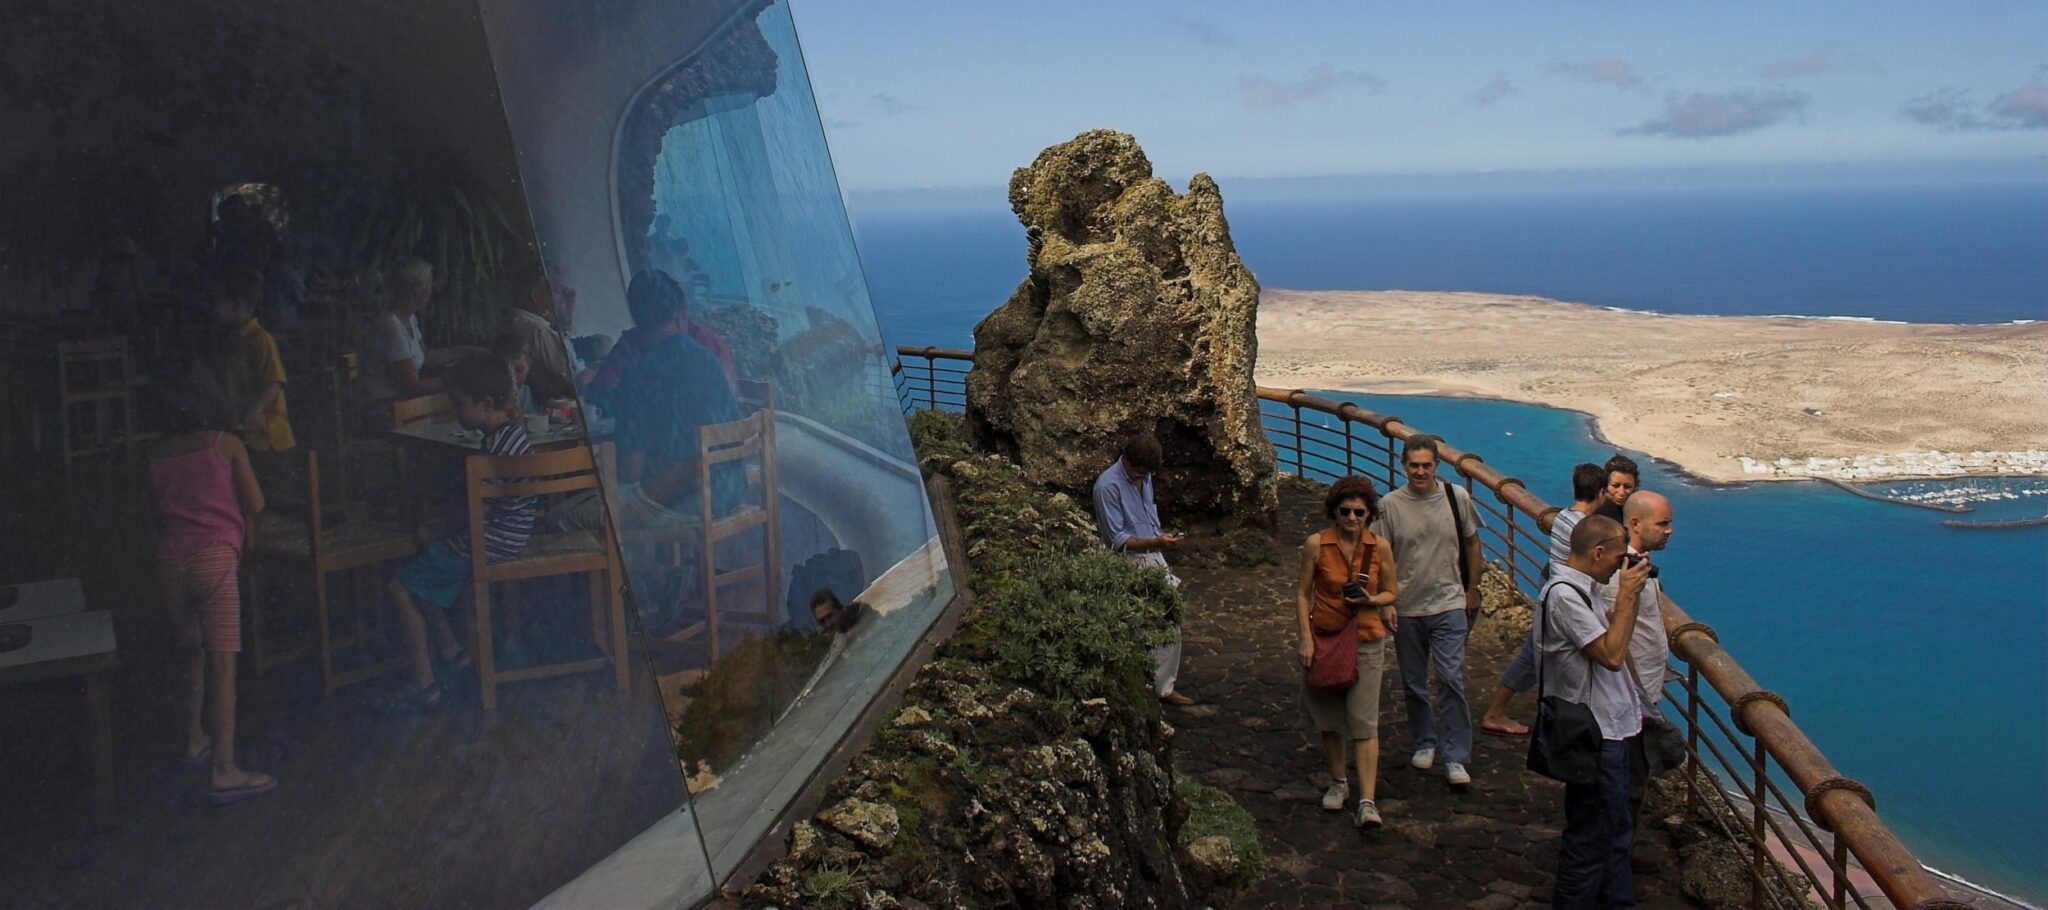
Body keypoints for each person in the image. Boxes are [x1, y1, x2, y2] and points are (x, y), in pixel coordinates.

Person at [145, 356, 274, 804]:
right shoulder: (227, 445)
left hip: (169, 563)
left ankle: (192, 738)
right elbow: (255, 503)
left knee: (191, 651)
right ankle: (224, 768)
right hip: (216, 562)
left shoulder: (155, 454)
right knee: (224, 664)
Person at [376, 356, 538, 712]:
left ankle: (424, 681)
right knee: (424, 580)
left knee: (400, 587)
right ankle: (453, 653)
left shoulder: (491, 452)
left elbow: (475, 516)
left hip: (488, 541)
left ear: (488, 405)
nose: (456, 413)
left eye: (460, 405)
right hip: (512, 536)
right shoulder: (514, 436)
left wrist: (436, 527)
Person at [549, 269, 744, 535]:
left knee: (560, 519)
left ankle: (621, 575)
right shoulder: (708, 358)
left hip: (685, 503)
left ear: (637, 320)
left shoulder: (641, 375)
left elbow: (631, 472)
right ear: (678, 313)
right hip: (730, 490)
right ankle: (663, 573)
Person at [1537, 515, 1654, 908]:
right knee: (1589, 843)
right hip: (1595, 734)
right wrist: (1626, 597)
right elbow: (1611, 654)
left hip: (1612, 730)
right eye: (1619, 555)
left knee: (1615, 836)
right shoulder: (1566, 596)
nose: (1622, 564)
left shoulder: (1587, 590)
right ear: (1598, 552)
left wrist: (1629, 595)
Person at [1369, 434, 1483, 788]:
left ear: (1437, 466)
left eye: (1426, 465)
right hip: (1407, 606)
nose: (1420, 472)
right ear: (1403, 466)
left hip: (1449, 602)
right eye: (1414, 465)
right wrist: (1386, 602)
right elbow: (1379, 556)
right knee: (1414, 682)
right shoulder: (1389, 506)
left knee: (1451, 679)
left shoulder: (1456, 497)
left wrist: (1473, 587)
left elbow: (1472, 541)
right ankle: (1425, 740)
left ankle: (1456, 755)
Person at [1295, 476, 1400, 828]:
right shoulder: (1316, 545)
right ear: (1334, 512)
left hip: (1366, 638)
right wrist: (1305, 637)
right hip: (1325, 636)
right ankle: (1339, 781)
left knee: (1364, 721)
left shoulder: (1379, 547)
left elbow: (1391, 591)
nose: (1353, 518)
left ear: (1370, 513)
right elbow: (1302, 593)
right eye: (1346, 511)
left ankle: (1367, 801)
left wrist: (1371, 600)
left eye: (1360, 512)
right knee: (1329, 716)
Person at [1479, 462, 1606, 737]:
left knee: (1539, 656)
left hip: (1552, 587)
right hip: (1565, 597)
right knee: (1533, 657)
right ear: (1601, 493)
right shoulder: (1586, 528)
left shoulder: (1562, 517)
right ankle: (1496, 713)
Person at [1599, 490, 1676, 872]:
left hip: (1639, 691)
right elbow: (1616, 635)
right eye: (1662, 523)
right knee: (1626, 783)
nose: (1670, 531)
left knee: (1631, 781)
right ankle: (1615, 866)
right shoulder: (1619, 574)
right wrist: (1641, 699)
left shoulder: (1637, 564)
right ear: (1635, 524)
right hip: (1629, 695)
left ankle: (1618, 856)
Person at [1091, 431, 1194, 707]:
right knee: (1140, 626)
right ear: (1125, 459)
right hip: (1130, 562)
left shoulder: (1145, 476)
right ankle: (1150, 687)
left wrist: (1159, 541)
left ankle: (1162, 686)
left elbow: (1148, 513)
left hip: (1153, 555)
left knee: (1169, 621)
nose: (1143, 478)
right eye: (1138, 473)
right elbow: (1118, 540)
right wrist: (1156, 541)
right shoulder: (1107, 487)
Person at [360, 258, 474, 410]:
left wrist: (468, 352)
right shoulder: (391, 326)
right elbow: (412, 387)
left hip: (399, 403)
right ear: (417, 289)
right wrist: (458, 379)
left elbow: (424, 357)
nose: (432, 288)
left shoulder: (409, 318)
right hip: (385, 408)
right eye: (429, 283)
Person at [210, 265, 295, 453]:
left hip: (269, 437)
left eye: (217, 302)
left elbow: (274, 382)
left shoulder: (259, 339)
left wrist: (254, 412)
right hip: (247, 434)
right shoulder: (233, 339)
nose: (213, 309)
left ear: (235, 305)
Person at [502, 262, 584, 403]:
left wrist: (566, 318)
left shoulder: (516, 320)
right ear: (536, 295)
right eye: (558, 291)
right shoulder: (538, 329)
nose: (565, 298)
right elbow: (575, 380)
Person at [488, 330, 539, 416]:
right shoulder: (489, 400)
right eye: (506, 370)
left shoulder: (535, 393)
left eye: (519, 370)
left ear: (528, 366)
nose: (513, 377)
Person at [1593, 454, 1639, 523]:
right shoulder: (1601, 514)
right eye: (1615, 486)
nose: (1621, 492)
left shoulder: (1634, 511)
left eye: (1627, 487)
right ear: (1605, 484)